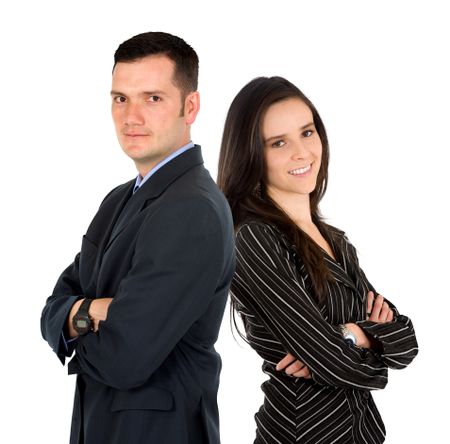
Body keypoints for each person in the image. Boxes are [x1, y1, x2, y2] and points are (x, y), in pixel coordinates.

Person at [41, 31, 235, 444]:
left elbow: (124, 357)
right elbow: (51, 310)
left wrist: (79, 316)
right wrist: (95, 311)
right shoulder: (118, 200)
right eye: (120, 98)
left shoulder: (192, 209)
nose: (131, 117)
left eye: (153, 98)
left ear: (191, 106)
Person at [217, 76, 418, 444]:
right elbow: (332, 360)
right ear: (251, 155)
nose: (301, 152)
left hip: (361, 432)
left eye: (307, 133)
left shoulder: (337, 242)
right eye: (279, 143)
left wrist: (353, 336)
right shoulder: (253, 240)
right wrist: (366, 344)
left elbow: (407, 340)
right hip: (304, 432)